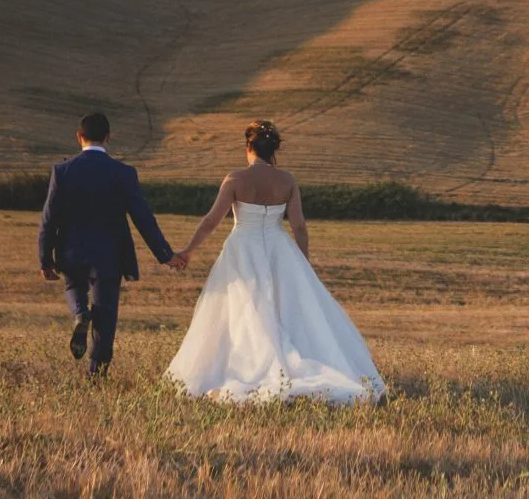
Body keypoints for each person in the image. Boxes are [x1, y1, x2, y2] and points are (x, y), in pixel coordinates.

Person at [164, 120, 384, 403]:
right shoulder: (287, 181)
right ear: (273, 150)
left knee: (242, 310)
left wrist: (188, 250)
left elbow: (211, 221)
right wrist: (303, 265)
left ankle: (244, 366)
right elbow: (300, 226)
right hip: (281, 249)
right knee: (286, 310)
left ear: (248, 147)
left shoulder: (235, 179)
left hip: (243, 248)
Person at [37, 112, 177, 376]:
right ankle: (96, 372)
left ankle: (79, 313)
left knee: (73, 285)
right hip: (109, 256)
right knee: (105, 314)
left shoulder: (62, 171)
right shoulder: (123, 173)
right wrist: (165, 254)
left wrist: (45, 260)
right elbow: (143, 218)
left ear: (79, 137)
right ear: (108, 138)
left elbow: (48, 219)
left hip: (71, 251)